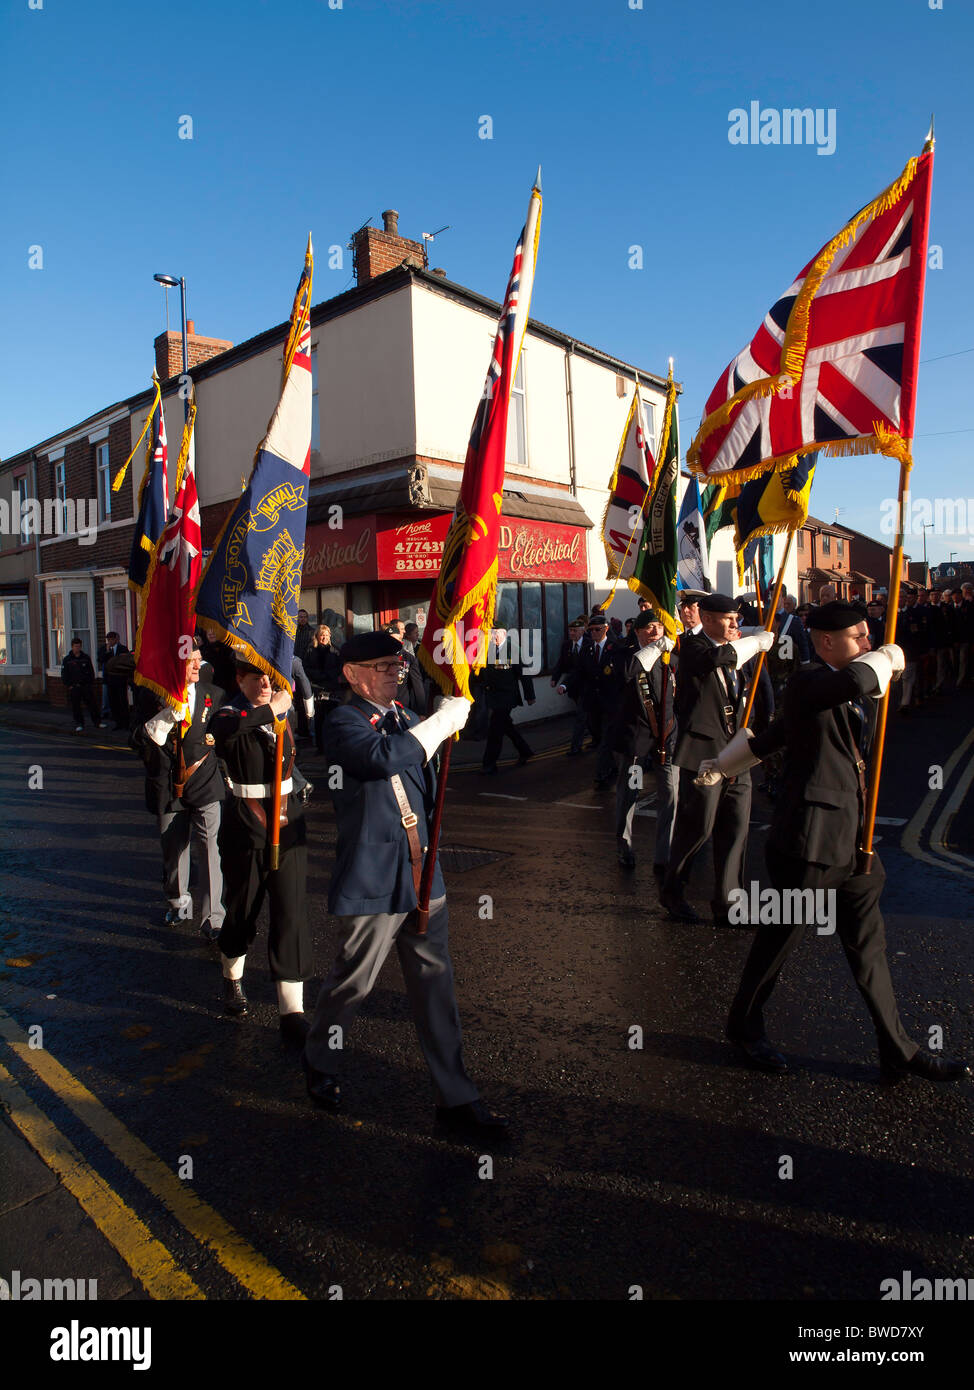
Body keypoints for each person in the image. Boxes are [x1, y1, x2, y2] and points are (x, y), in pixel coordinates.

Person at [706, 602, 969, 1084]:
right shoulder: (809, 682)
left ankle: (898, 1048)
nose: (868, 644)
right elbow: (850, 683)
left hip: (854, 842)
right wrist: (888, 656)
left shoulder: (836, 690)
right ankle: (743, 1024)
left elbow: (777, 736)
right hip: (807, 842)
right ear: (826, 642)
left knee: (869, 950)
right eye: (859, 636)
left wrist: (728, 762)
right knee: (779, 940)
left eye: (870, 637)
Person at [303, 631, 508, 1138]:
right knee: (353, 982)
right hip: (375, 877)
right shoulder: (342, 721)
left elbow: (465, 736)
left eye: (398, 665)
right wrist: (437, 723)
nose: (396, 673)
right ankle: (320, 1059)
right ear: (351, 674)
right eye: (382, 666)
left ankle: (455, 1096)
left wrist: (458, 701)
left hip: (423, 872)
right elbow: (381, 759)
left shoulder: (406, 717)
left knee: (435, 988)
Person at [210, 657, 312, 1044]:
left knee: (292, 915)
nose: (266, 685)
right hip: (246, 827)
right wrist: (272, 709)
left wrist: (281, 710)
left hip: (288, 824)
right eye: (257, 679)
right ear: (240, 679)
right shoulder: (229, 712)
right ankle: (232, 977)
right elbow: (227, 731)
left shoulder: (284, 712)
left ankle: (292, 1011)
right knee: (241, 911)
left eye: (271, 679)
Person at [661, 594, 774, 927]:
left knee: (736, 828)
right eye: (729, 619)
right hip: (704, 754)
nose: (736, 625)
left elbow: (754, 692)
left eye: (738, 619)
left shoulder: (740, 650)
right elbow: (717, 659)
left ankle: (728, 903)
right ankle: (672, 891)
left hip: (737, 752)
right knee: (698, 827)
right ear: (707, 618)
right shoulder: (691, 647)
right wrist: (755, 641)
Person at [139, 641, 226, 942]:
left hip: (204, 779)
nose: (196, 666)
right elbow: (136, 741)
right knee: (174, 848)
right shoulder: (151, 695)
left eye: (199, 660)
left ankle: (213, 917)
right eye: (190, 660)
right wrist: (162, 719)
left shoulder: (212, 695)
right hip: (167, 783)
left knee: (210, 846)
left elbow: (225, 732)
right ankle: (179, 904)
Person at [612, 610, 678, 883]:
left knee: (670, 796)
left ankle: (665, 855)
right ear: (637, 631)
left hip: (667, 738)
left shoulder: (671, 659)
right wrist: (653, 650)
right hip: (637, 743)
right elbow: (627, 673)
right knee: (631, 793)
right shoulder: (624, 655)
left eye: (659, 627)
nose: (654, 632)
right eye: (648, 627)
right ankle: (624, 845)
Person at [579, 612, 628, 789]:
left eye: (597, 629)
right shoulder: (587, 649)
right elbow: (579, 672)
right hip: (593, 702)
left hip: (611, 701)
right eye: (591, 630)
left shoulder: (616, 648)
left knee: (606, 739)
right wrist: (565, 686)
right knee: (599, 737)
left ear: (606, 629)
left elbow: (622, 675)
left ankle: (601, 773)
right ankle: (612, 766)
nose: (594, 633)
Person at [480, 628, 536, 774]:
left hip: (507, 697)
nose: (493, 636)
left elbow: (524, 673)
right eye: (491, 633)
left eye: (496, 633)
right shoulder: (488, 648)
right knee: (506, 726)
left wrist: (529, 696)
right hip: (493, 696)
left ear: (504, 634)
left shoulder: (513, 649)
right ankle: (525, 751)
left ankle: (489, 764)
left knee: (495, 729)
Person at [550, 615, 591, 755]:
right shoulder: (566, 645)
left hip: (587, 686)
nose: (572, 633)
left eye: (575, 630)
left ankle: (575, 747)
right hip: (574, 687)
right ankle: (598, 738)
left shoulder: (589, 644)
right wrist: (554, 678)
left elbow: (579, 670)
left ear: (582, 631)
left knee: (581, 715)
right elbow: (561, 664)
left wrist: (564, 685)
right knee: (587, 716)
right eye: (570, 630)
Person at [305, 623, 343, 751]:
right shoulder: (310, 650)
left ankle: (333, 745)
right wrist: (319, 675)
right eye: (322, 635)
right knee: (319, 719)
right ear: (317, 636)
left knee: (332, 717)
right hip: (316, 687)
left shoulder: (335, 651)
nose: (324, 638)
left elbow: (340, 668)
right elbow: (306, 668)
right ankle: (320, 747)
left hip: (331, 688)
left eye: (327, 635)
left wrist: (328, 675)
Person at [61, 638, 103, 732]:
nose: (77, 648)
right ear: (72, 647)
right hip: (74, 687)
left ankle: (97, 722)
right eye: (76, 646)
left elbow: (91, 671)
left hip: (85, 686)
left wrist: (90, 683)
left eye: (79, 646)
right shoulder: (67, 659)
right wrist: (69, 685)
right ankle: (79, 723)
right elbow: (64, 674)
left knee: (92, 705)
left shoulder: (85, 658)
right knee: (76, 706)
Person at [97, 631, 131, 730]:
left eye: (112, 639)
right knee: (113, 702)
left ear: (117, 639)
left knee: (122, 701)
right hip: (109, 680)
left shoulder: (123, 649)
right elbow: (100, 660)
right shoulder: (104, 649)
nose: (110, 641)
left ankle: (125, 723)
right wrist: (107, 652)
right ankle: (118, 723)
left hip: (120, 679)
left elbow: (127, 661)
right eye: (109, 640)